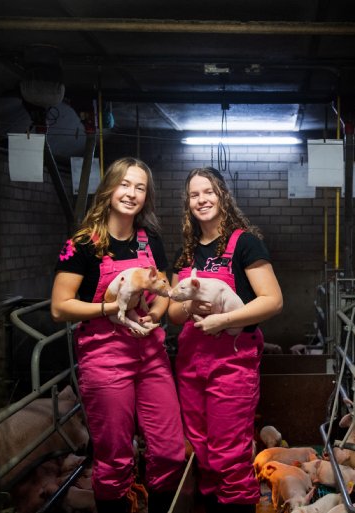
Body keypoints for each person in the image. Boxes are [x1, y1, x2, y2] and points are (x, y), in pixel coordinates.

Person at [50, 157, 186, 513]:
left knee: (171, 450)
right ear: (109, 187)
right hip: (104, 357)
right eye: (125, 184)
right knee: (114, 458)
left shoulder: (150, 239)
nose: (132, 193)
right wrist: (110, 310)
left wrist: (156, 315)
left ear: (147, 196)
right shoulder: (82, 243)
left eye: (140, 187)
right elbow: (59, 306)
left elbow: (163, 286)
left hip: (151, 354)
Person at [167, 166, 283, 512]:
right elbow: (173, 315)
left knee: (228, 455)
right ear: (188, 203)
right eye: (194, 194)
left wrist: (223, 319)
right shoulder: (187, 253)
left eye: (209, 192)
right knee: (201, 450)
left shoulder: (244, 243)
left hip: (231, 363)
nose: (202, 200)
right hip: (190, 363)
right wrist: (191, 304)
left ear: (223, 196)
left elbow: (272, 300)